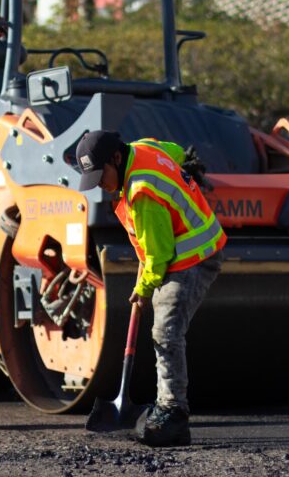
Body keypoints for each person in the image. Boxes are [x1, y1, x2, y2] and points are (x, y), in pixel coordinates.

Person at [76, 131, 226, 447]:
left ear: (116, 159)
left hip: (191, 256)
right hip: (187, 248)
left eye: (100, 175)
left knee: (165, 332)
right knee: (164, 330)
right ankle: (166, 405)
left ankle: (173, 414)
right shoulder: (142, 147)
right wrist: (187, 166)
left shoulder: (141, 190)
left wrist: (143, 289)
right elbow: (175, 151)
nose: (100, 185)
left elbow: (159, 255)